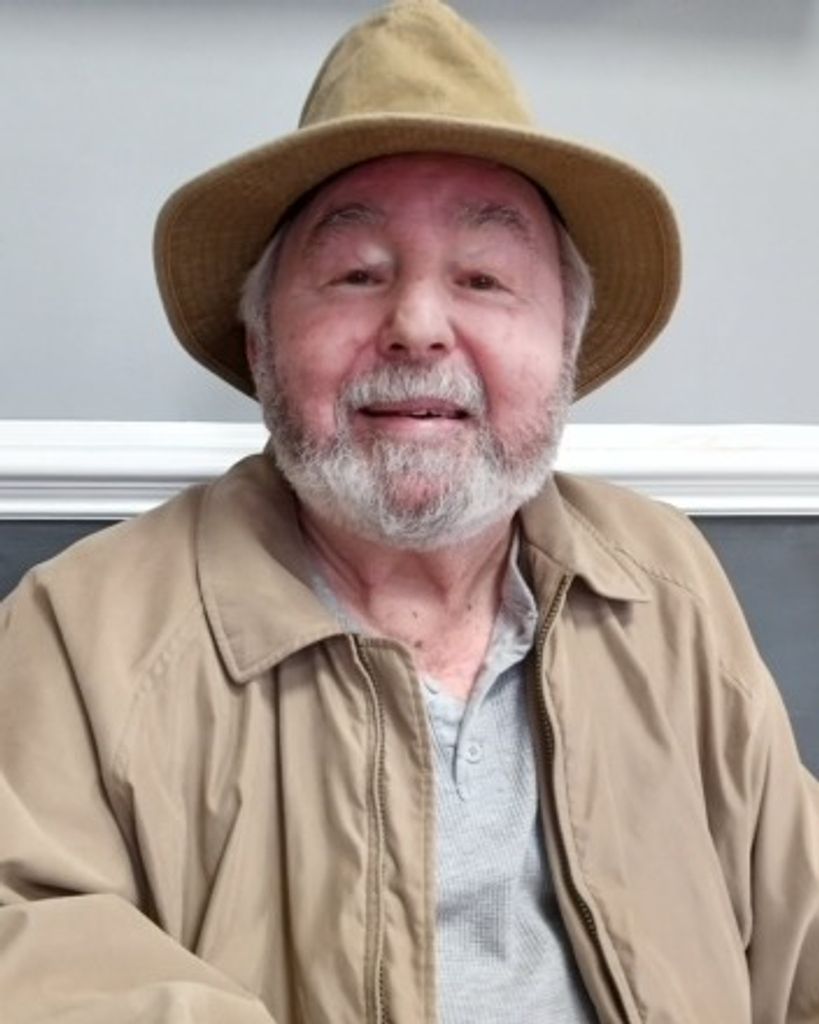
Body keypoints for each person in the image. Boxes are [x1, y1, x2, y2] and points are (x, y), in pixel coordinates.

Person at [1, 1, 817, 1021]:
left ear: (562, 348)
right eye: (357, 275)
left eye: (483, 277)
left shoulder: (665, 578)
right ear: (261, 346)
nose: (418, 325)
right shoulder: (81, 632)